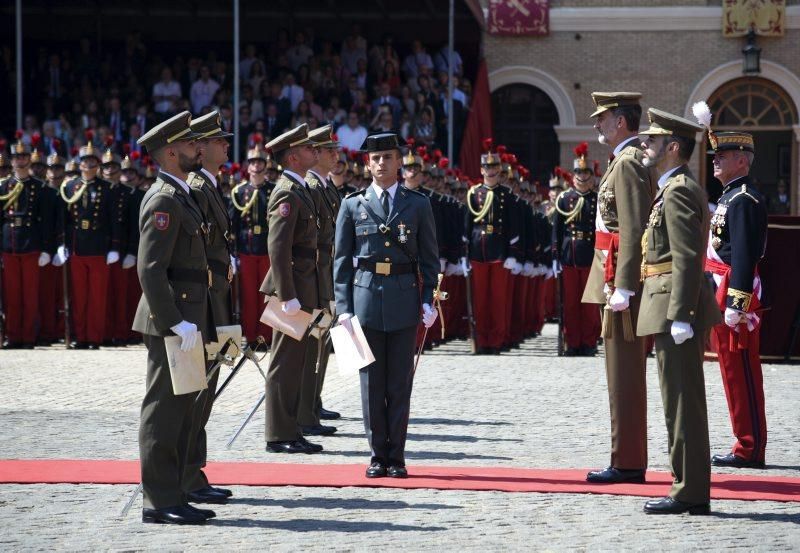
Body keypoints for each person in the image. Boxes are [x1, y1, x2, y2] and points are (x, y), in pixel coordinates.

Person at [333, 133, 439, 478]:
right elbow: (341, 262)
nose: (381, 163)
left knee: (399, 383)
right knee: (371, 383)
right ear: (367, 163)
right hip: (364, 300)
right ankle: (377, 454)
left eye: (388, 157)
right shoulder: (352, 204)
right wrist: (344, 307)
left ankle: (398, 455)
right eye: (375, 158)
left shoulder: (418, 203)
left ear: (399, 162)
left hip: (404, 298)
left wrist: (428, 300)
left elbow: (429, 259)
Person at [132, 111, 215, 525]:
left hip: (187, 317)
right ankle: (159, 499)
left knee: (182, 409)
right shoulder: (164, 198)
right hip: (173, 319)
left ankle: (175, 491)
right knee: (163, 410)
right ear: (169, 152)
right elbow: (150, 269)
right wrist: (174, 322)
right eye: (189, 144)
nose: (198, 147)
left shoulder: (182, 193)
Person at [637, 108, 720, 515]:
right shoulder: (670, 187)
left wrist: (683, 313)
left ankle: (689, 490)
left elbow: (687, 256)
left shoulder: (680, 189)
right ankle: (686, 485)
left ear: (672, 147)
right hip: (667, 303)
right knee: (677, 399)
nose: (644, 145)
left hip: (675, 307)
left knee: (683, 400)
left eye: (652, 141)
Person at [583, 92, 655, 484]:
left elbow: (632, 229)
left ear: (622, 122)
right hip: (610, 274)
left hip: (619, 279)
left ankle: (627, 461)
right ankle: (625, 455)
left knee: (624, 373)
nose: (597, 124)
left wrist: (624, 285)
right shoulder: (622, 161)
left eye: (603, 118)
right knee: (617, 372)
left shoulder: (627, 165)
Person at [701, 124, 769, 469]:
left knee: (741, 371)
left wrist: (737, 304)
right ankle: (744, 441)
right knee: (732, 373)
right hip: (721, 288)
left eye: (723, 156)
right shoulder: (730, 196)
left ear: (741, 161)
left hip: (734, 292)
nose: (716, 160)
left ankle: (750, 447)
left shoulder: (743, 199)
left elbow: (743, 254)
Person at [258, 124, 324, 454]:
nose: (316, 152)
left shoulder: (300, 188)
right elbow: (279, 248)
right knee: (284, 362)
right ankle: (278, 434)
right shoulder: (287, 191)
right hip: (292, 289)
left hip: (302, 285)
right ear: (294, 156)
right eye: (309, 148)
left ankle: (290, 429)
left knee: (295, 362)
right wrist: (286, 295)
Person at [184, 110, 236, 505]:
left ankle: (193, 471)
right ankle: (186, 473)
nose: (226, 144)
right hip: (202, 303)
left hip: (217, 299)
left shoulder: (211, 184)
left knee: (206, 390)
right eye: (219, 140)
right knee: (196, 392)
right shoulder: (197, 186)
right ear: (199, 148)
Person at [298, 125, 343, 435]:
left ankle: (313, 400)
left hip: (327, 273)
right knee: (312, 345)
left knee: (322, 345)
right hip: (315, 274)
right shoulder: (313, 187)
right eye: (328, 151)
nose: (335, 155)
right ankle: (304, 408)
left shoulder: (326, 187)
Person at [58, 136, 122, 349]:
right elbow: (65, 220)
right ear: (79, 163)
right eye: (84, 161)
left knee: (97, 297)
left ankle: (94, 337)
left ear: (98, 164)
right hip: (77, 247)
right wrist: (63, 244)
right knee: (79, 297)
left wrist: (114, 247)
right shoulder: (70, 187)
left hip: (98, 246)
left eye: (92, 161)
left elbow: (114, 220)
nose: (87, 165)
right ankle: (81, 336)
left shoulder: (107, 189)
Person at [464, 141, 522, 353]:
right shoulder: (473, 194)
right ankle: (480, 341)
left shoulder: (506, 195)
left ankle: (496, 341)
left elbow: (513, 227)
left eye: (494, 167)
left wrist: (513, 254)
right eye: (487, 167)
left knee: (498, 300)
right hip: (478, 250)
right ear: (481, 170)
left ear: (500, 169)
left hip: (499, 251)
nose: (490, 171)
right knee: (479, 301)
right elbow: (467, 225)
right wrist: (464, 256)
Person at [0, 134, 56, 348]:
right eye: (17, 156)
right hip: (9, 243)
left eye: (24, 156)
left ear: (29, 160)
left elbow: (46, 223)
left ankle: (28, 337)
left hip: (32, 244)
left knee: (30, 296)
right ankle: (13, 336)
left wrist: (46, 249)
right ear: (11, 160)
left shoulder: (39, 188)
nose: (20, 160)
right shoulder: (3, 186)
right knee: (12, 296)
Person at [552, 143, 600, 356]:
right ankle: (572, 342)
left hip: (589, 255)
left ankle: (588, 342)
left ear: (591, 175)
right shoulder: (564, 198)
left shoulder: (596, 199)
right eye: (579, 172)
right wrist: (554, 257)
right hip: (568, 255)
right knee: (570, 304)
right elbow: (557, 229)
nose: (582, 176)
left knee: (589, 304)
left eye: (586, 172)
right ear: (573, 175)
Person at [230, 141, 275, 345]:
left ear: (266, 165)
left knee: (265, 295)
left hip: (266, 249)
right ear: (247, 166)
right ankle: (249, 335)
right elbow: (233, 225)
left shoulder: (273, 190)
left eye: (260, 161)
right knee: (248, 296)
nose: (256, 166)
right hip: (246, 250)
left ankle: (264, 336)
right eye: (253, 162)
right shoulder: (239, 192)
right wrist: (233, 253)